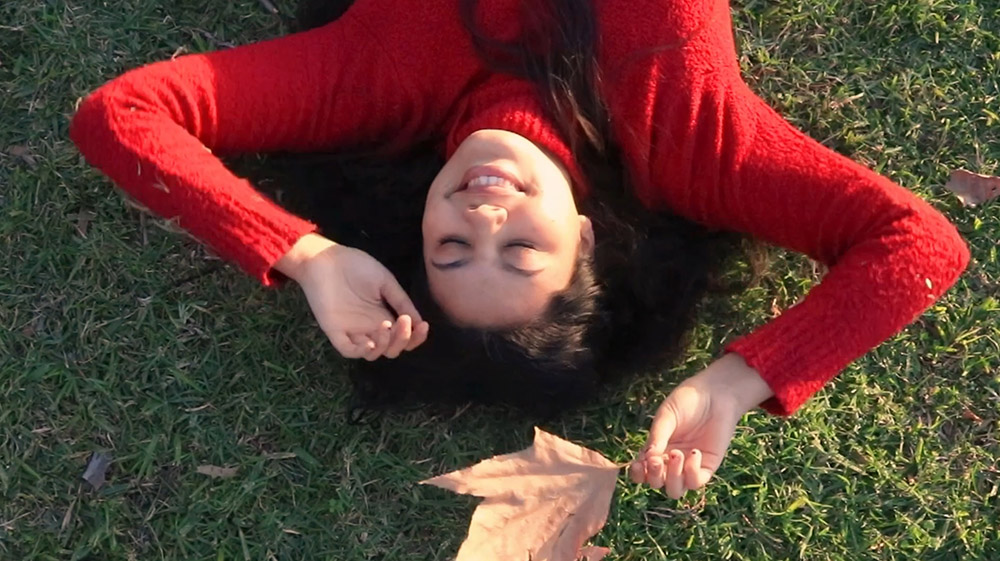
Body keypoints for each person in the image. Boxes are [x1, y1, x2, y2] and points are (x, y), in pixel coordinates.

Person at [69, 0, 970, 500]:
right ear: (586, 241)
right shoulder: (692, 141)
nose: (484, 212)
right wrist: (737, 381)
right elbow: (916, 244)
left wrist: (303, 255)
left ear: (411, 235)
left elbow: (121, 117)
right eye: (524, 250)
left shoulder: (371, 86)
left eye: (452, 249)